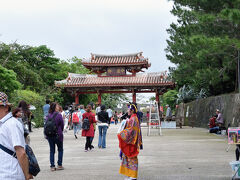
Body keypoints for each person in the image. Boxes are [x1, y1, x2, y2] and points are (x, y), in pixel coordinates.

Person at [0, 92, 33, 180]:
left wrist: (26, 175)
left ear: (6, 107)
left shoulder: (12, 124)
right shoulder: (3, 124)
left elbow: (21, 152)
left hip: (11, 174)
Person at [118, 103, 143, 180]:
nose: (127, 111)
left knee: (132, 158)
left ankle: (133, 175)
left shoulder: (133, 119)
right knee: (128, 158)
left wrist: (122, 133)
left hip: (132, 142)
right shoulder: (133, 118)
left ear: (132, 111)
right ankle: (130, 174)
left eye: (128, 109)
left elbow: (131, 131)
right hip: (131, 141)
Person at [46, 102, 64, 171]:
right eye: (57, 106)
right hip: (58, 135)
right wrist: (60, 131)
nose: (59, 107)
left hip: (50, 135)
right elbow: (62, 125)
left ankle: (52, 166)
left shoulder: (48, 115)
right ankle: (59, 165)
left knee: (52, 151)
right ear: (55, 107)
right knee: (60, 149)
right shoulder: (59, 115)